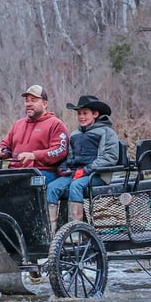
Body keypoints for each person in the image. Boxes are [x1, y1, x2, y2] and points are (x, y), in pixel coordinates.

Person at [46, 95, 119, 229]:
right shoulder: (74, 134)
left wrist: (85, 170)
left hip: (97, 175)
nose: (81, 117)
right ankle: (50, 231)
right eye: (79, 113)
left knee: (76, 186)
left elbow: (110, 158)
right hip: (75, 174)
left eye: (85, 113)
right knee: (52, 187)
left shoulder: (107, 132)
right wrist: (64, 167)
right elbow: (69, 157)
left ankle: (77, 230)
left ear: (95, 114)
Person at [0, 85, 69, 183]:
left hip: (41, 173)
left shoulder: (56, 124)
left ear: (45, 104)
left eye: (34, 100)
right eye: (27, 100)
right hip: (15, 172)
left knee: (21, 186)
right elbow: (6, 145)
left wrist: (34, 155)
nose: (28, 104)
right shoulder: (18, 124)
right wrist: (0, 151)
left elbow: (59, 151)